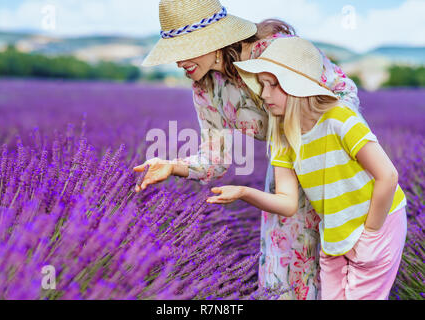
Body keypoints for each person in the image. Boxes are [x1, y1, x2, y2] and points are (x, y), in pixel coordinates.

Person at [134, 0, 362, 299]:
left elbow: (343, 91)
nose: (178, 62)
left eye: (183, 49)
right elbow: (214, 161)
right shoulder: (205, 87)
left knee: (341, 270)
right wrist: (172, 166)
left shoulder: (274, 52)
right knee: (285, 278)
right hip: (284, 174)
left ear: (213, 40)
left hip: (333, 167)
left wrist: (321, 143)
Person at [206, 36, 407, 300]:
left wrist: (369, 235)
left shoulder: (340, 118)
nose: (264, 94)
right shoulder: (282, 137)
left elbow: (388, 176)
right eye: (263, 85)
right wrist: (244, 192)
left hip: (378, 225)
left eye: (273, 85)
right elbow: (288, 203)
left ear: (297, 86)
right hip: (335, 235)